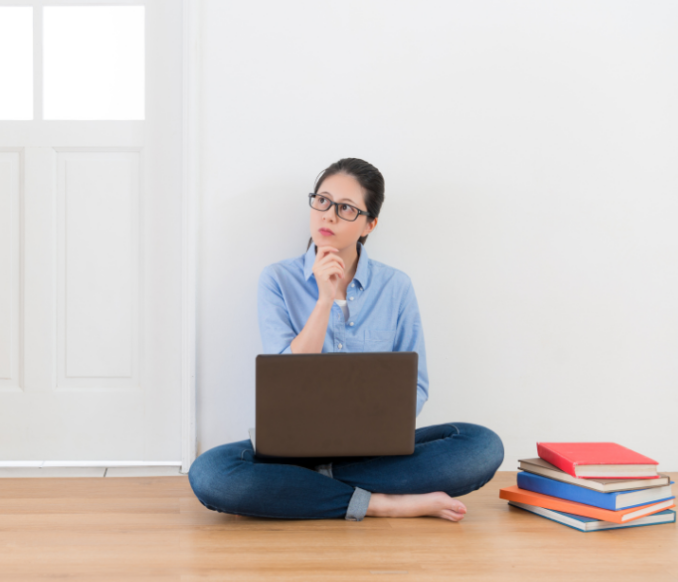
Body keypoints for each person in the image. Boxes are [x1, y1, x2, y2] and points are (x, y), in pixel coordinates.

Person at [188, 158, 503, 521]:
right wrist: (324, 300)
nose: (329, 215)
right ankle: (380, 503)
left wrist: (377, 432)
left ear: (370, 223)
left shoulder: (395, 286)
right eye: (322, 201)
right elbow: (284, 382)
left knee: (481, 445)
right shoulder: (277, 279)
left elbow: (415, 385)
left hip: (377, 453)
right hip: (292, 451)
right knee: (211, 474)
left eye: (346, 208)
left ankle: (304, 488)